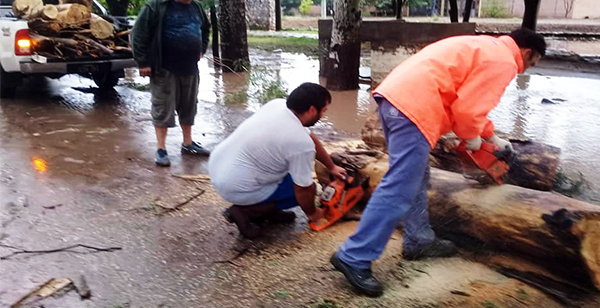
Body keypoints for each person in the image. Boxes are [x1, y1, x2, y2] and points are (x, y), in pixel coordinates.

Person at [330, 28, 546, 297]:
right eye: (531, 64)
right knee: (399, 188)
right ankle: (354, 256)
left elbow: (466, 100)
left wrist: (492, 136)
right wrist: (474, 141)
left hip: (395, 100)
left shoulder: (484, 46)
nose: (524, 69)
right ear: (527, 52)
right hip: (414, 109)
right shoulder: (504, 61)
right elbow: (467, 112)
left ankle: (419, 239)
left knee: (417, 177)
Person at [208, 83, 347, 239]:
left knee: (288, 166)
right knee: (306, 190)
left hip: (218, 166)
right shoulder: (300, 143)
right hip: (235, 186)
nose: (324, 114)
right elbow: (303, 189)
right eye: (324, 110)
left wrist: (331, 166)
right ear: (312, 110)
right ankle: (245, 212)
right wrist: (313, 213)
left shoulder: (278, 105)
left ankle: (270, 211)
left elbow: (309, 137)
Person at [132, 0, 211, 167]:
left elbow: (206, 29)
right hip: (164, 68)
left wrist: (201, 49)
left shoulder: (197, 7)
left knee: (189, 106)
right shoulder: (156, 5)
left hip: (190, 67)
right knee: (163, 108)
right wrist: (143, 62)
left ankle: (188, 143)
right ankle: (161, 149)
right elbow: (138, 34)